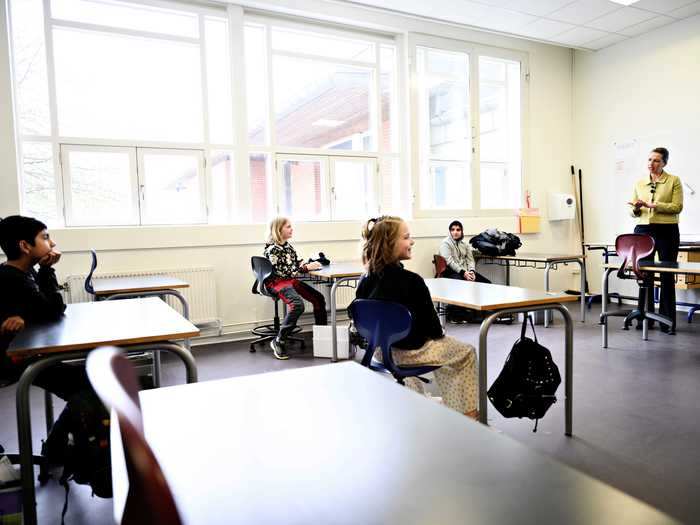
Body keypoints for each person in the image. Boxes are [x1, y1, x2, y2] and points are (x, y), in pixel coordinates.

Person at [355, 216, 479, 419]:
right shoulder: (413, 282)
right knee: (464, 353)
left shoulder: (365, 279)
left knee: (435, 351)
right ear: (389, 244)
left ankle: (419, 402)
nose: (412, 241)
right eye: (406, 237)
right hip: (409, 353)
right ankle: (467, 416)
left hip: (380, 350)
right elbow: (434, 331)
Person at [0, 215, 91, 398]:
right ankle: (63, 428)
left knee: (88, 383)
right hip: (14, 361)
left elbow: (46, 307)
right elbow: (54, 310)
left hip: (30, 353)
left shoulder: (26, 271)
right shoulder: (11, 278)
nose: (53, 243)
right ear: (25, 246)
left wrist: (43, 271)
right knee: (88, 385)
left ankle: (66, 426)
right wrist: (48, 269)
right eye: (45, 237)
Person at [628, 147, 684, 333]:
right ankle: (644, 318)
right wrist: (636, 208)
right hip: (643, 230)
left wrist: (654, 205)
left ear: (664, 163)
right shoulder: (639, 183)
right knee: (644, 275)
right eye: (650, 160)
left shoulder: (673, 181)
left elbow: (677, 207)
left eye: (657, 161)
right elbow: (632, 212)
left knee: (667, 275)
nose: (651, 164)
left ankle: (666, 321)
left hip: (667, 230)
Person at [264, 217, 327, 360]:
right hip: (277, 282)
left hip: (290, 280)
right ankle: (279, 340)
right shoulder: (273, 249)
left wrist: (304, 263)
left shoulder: (288, 246)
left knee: (318, 298)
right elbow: (283, 272)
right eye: (288, 227)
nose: (291, 229)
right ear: (278, 230)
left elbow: (291, 265)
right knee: (297, 305)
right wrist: (305, 268)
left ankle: (323, 336)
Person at [439, 220, 491, 323]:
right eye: (453, 230)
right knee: (461, 284)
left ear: (462, 231)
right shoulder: (445, 244)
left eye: (458, 230)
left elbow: (470, 259)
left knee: (487, 284)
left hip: (466, 272)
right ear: (449, 231)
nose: (455, 232)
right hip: (451, 273)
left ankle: (482, 314)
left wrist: (472, 272)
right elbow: (449, 262)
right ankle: (457, 315)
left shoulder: (465, 244)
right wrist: (464, 273)